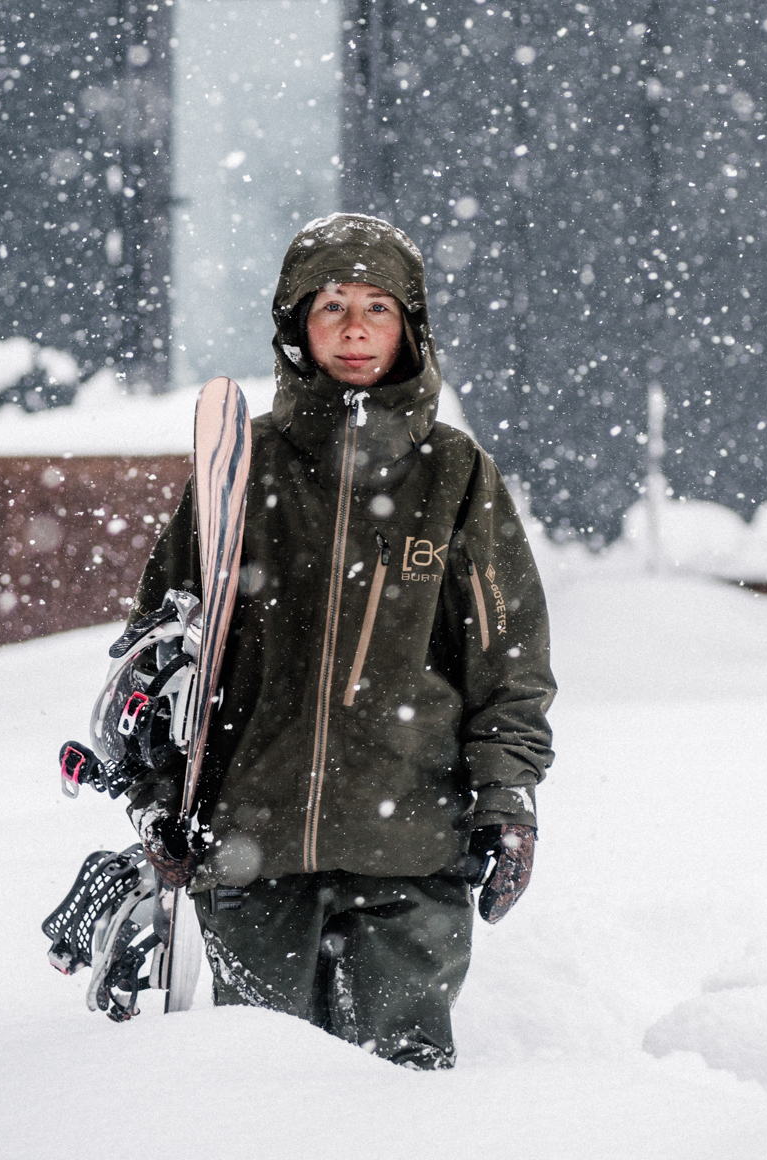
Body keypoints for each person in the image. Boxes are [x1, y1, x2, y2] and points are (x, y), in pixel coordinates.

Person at [124, 211, 555, 1069]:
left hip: (410, 852)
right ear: (295, 326)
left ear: (411, 324)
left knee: (404, 1097)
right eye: (331, 307)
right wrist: (154, 791)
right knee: (263, 1096)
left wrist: (506, 799)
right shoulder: (240, 470)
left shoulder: (453, 473)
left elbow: (508, 661)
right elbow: (162, 652)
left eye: (378, 307)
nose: (355, 329)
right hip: (251, 852)